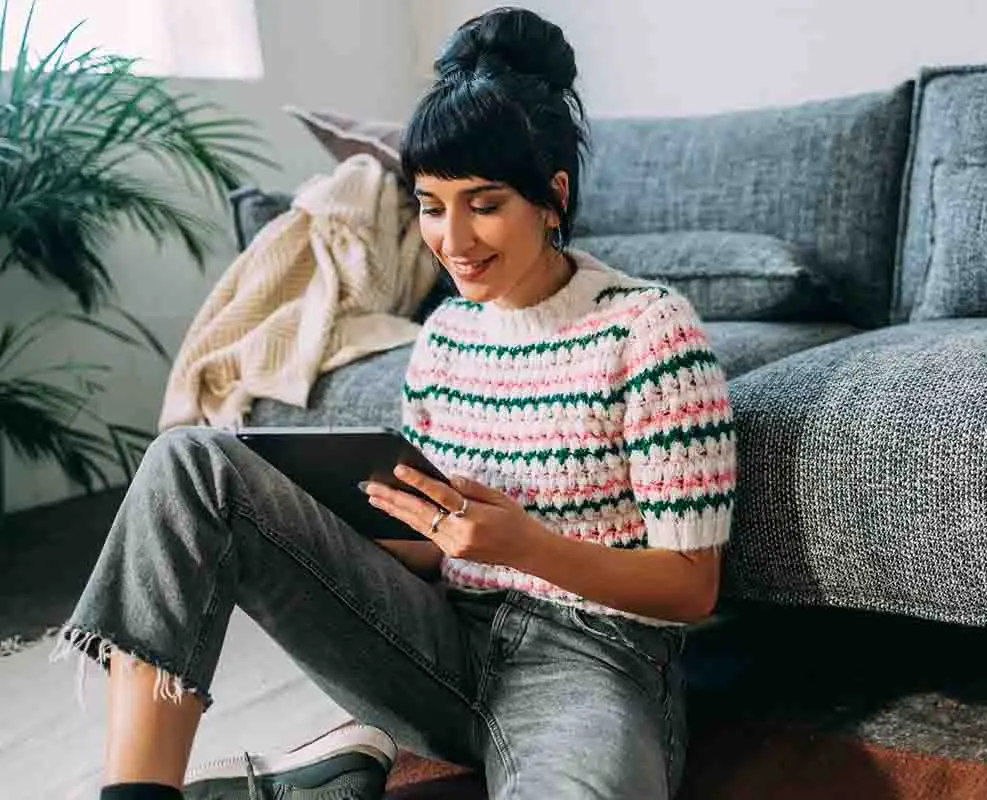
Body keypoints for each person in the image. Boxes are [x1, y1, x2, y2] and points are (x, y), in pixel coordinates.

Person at [54, 7, 736, 799]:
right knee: (190, 463)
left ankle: (324, 777)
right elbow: (430, 553)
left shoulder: (649, 330)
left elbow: (692, 587)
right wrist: (324, 523)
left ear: (552, 196)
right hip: (438, 644)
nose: (452, 239)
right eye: (431, 204)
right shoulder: (443, 338)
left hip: (595, 659)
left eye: (484, 204)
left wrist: (523, 547)